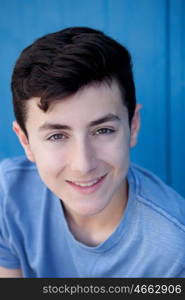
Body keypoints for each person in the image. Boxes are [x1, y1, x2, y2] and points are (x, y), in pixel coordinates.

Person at [0, 27, 185, 278]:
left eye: (103, 130)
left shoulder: (174, 250)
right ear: (25, 142)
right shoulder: (9, 196)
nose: (83, 164)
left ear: (133, 126)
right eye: (57, 136)